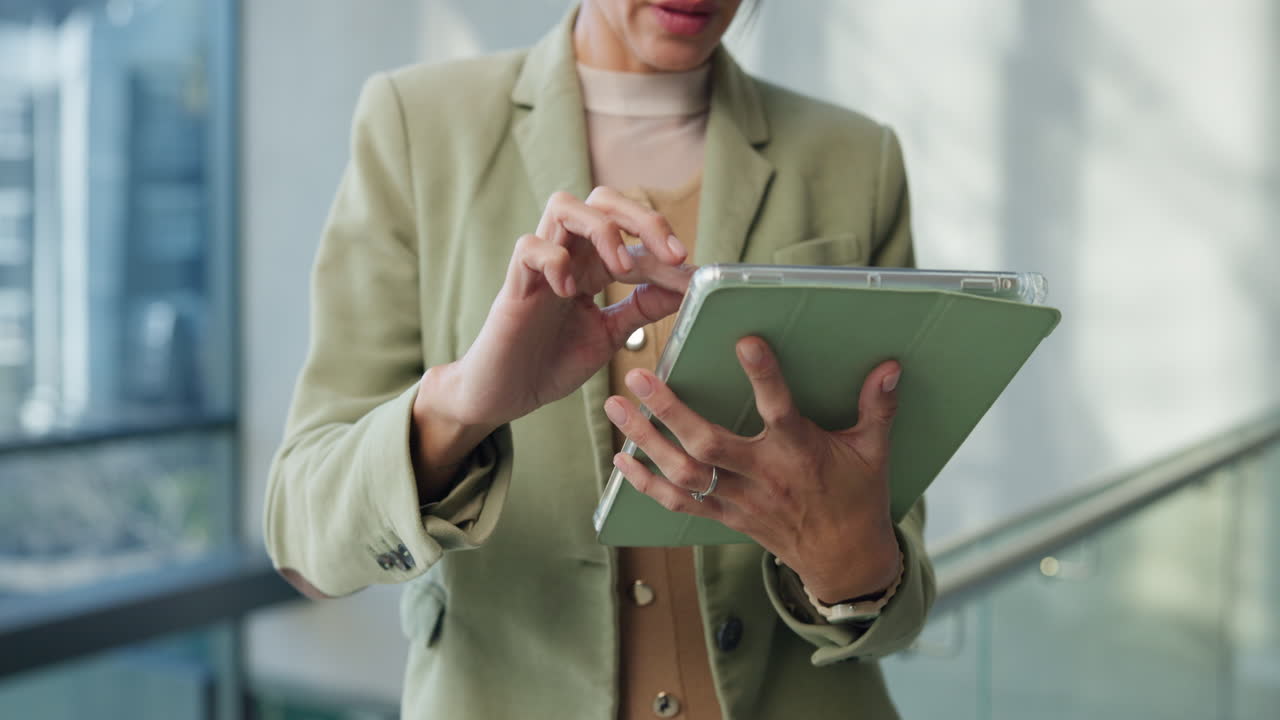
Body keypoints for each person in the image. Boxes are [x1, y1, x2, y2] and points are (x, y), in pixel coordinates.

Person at [264, 1, 935, 718]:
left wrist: (845, 564)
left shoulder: (856, 160)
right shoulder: (417, 125)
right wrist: (458, 407)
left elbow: (898, 596)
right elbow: (303, 544)